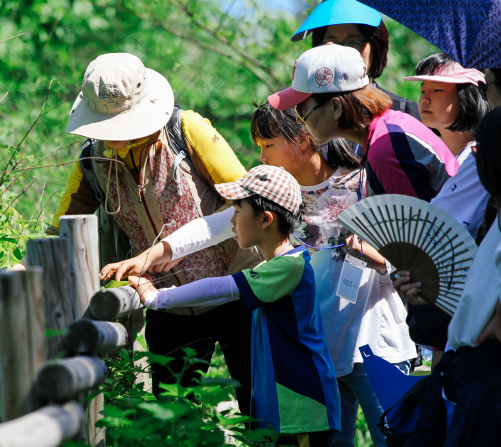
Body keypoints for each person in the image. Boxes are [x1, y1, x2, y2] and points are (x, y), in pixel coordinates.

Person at [103, 104, 416, 447]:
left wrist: (374, 257)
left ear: (301, 138)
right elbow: (211, 228)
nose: (263, 156)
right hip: (320, 353)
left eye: (268, 145)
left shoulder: (361, 181)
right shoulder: (273, 196)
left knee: (396, 439)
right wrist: (148, 256)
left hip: (372, 341)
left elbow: (408, 251)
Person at [50, 53, 259, 414]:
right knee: (175, 417)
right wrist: (26, 265)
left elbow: (248, 203)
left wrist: (169, 247)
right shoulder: (91, 161)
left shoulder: (187, 131)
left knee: (260, 407)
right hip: (168, 302)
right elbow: (61, 228)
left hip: (236, 291)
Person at [130, 165, 341, 447]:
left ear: (266, 219)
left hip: (302, 403)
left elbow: (221, 287)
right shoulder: (278, 265)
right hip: (289, 403)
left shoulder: (288, 266)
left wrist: (156, 297)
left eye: (238, 212)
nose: (232, 222)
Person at [269, 43, 459, 353]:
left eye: (303, 110)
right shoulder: (388, 129)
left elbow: (426, 236)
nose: (300, 120)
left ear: (336, 108)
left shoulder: (386, 148)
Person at [395, 107, 501, 447]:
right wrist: (433, 291)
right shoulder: (494, 217)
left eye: (480, 151)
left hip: (486, 380)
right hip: (463, 373)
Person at [404, 54, 491, 240]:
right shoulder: (438, 156)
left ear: (467, 96)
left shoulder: (478, 155)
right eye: (422, 91)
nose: (424, 99)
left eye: (437, 90)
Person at [292, 0, 421, 122]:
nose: (342, 52)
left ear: (376, 47)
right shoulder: (305, 114)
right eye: (332, 43)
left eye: (353, 42)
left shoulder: (406, 113)